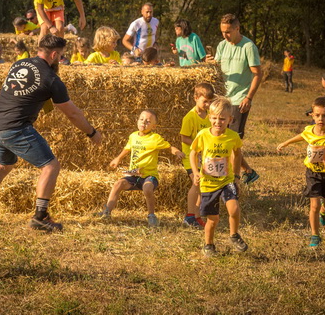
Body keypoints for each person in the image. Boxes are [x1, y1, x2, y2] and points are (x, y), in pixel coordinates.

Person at [0, 35, 102, 230]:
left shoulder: (18, 64)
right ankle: (40, 217)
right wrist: (92, 132)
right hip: (16, 128)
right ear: (53, 55)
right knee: (50, 166)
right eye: (60, 56)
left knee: (4, 165)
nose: (61, 59)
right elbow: (72, 114)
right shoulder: (51, 79)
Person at [277, 97, 325, 248]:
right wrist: (286, 142)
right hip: (312, 173)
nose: (321, 119)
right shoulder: (309, 130)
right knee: (313, 206)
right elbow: (302, 136)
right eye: (318, 115)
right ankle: (315, 235)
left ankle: (324, 211)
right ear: (312, 115)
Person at [100, 110, 184, 227]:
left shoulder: (155, 138)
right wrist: (118, 158)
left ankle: (151, 216)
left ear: (154, 126)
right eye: (141, 119)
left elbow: (169, 147)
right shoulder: (133, 136)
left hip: (149, 176)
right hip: (134, 175)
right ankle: (106, 212)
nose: (144, 122)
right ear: (137, 121)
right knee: (117, 184)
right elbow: (127, 148)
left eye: (148, 121)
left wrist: (177, 152)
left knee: (147, 188)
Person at [205, 13, 260, 184]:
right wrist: (209, 63)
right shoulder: (222, 45)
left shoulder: (248, 47)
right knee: (220, 139)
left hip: (239, 100)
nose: (225, 35)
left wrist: (248, 98)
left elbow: (257, 74)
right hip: (222, 99)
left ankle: (234, 180)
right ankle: (247, 172)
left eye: (228, 32)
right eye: (222, 32)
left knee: (232, 142)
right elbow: (217, 70)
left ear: (237, 28)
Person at [190, 97, 248, 257]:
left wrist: (236, 175)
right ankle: (208, 245)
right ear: (209, 117)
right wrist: (195, 172)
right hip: (208, 184)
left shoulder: (233, 136)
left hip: (226, 181)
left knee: (234, 209)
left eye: (222, 119)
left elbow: (237, 154)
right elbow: (193, 153)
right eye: (214, 118)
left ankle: (234, 235)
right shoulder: (203, 135)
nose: (218, 122)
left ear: (230, 119)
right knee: (213, 219)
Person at [180, 83, 215, 228]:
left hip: (205, 157)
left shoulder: (210, 116)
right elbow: (184, 138)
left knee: (203, 185)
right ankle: (189, 216)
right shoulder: (190, 117)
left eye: (210, 102)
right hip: (191, 157)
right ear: (195, 98)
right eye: (204, 101)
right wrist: (199, 146)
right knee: (197, 183)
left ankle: (197, 216)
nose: (207, 105)